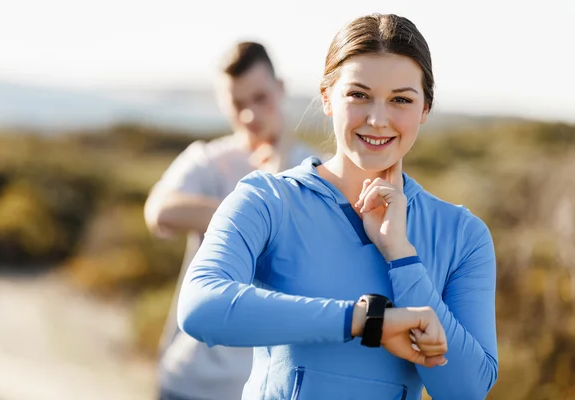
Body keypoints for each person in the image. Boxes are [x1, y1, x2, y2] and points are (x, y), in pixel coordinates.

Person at [176, 13, 498, 400]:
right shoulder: (267, 199)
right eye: (358, 95)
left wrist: (402, 257)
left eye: (401, 99)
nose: (378, 120)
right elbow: (201, 306)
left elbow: (468, 390)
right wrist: (366, 321)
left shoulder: (463, 234)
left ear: (425, 108)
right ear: (327, 98)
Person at [144, 41, 318, 400]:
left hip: (272, 386)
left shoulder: (319, 168)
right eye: (238, 104)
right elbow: (159, 211)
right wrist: (254, 215)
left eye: (260, 98)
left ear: (281, 89)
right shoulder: (208, 159)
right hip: (189, 380)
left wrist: (282, 157)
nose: (250, 115)